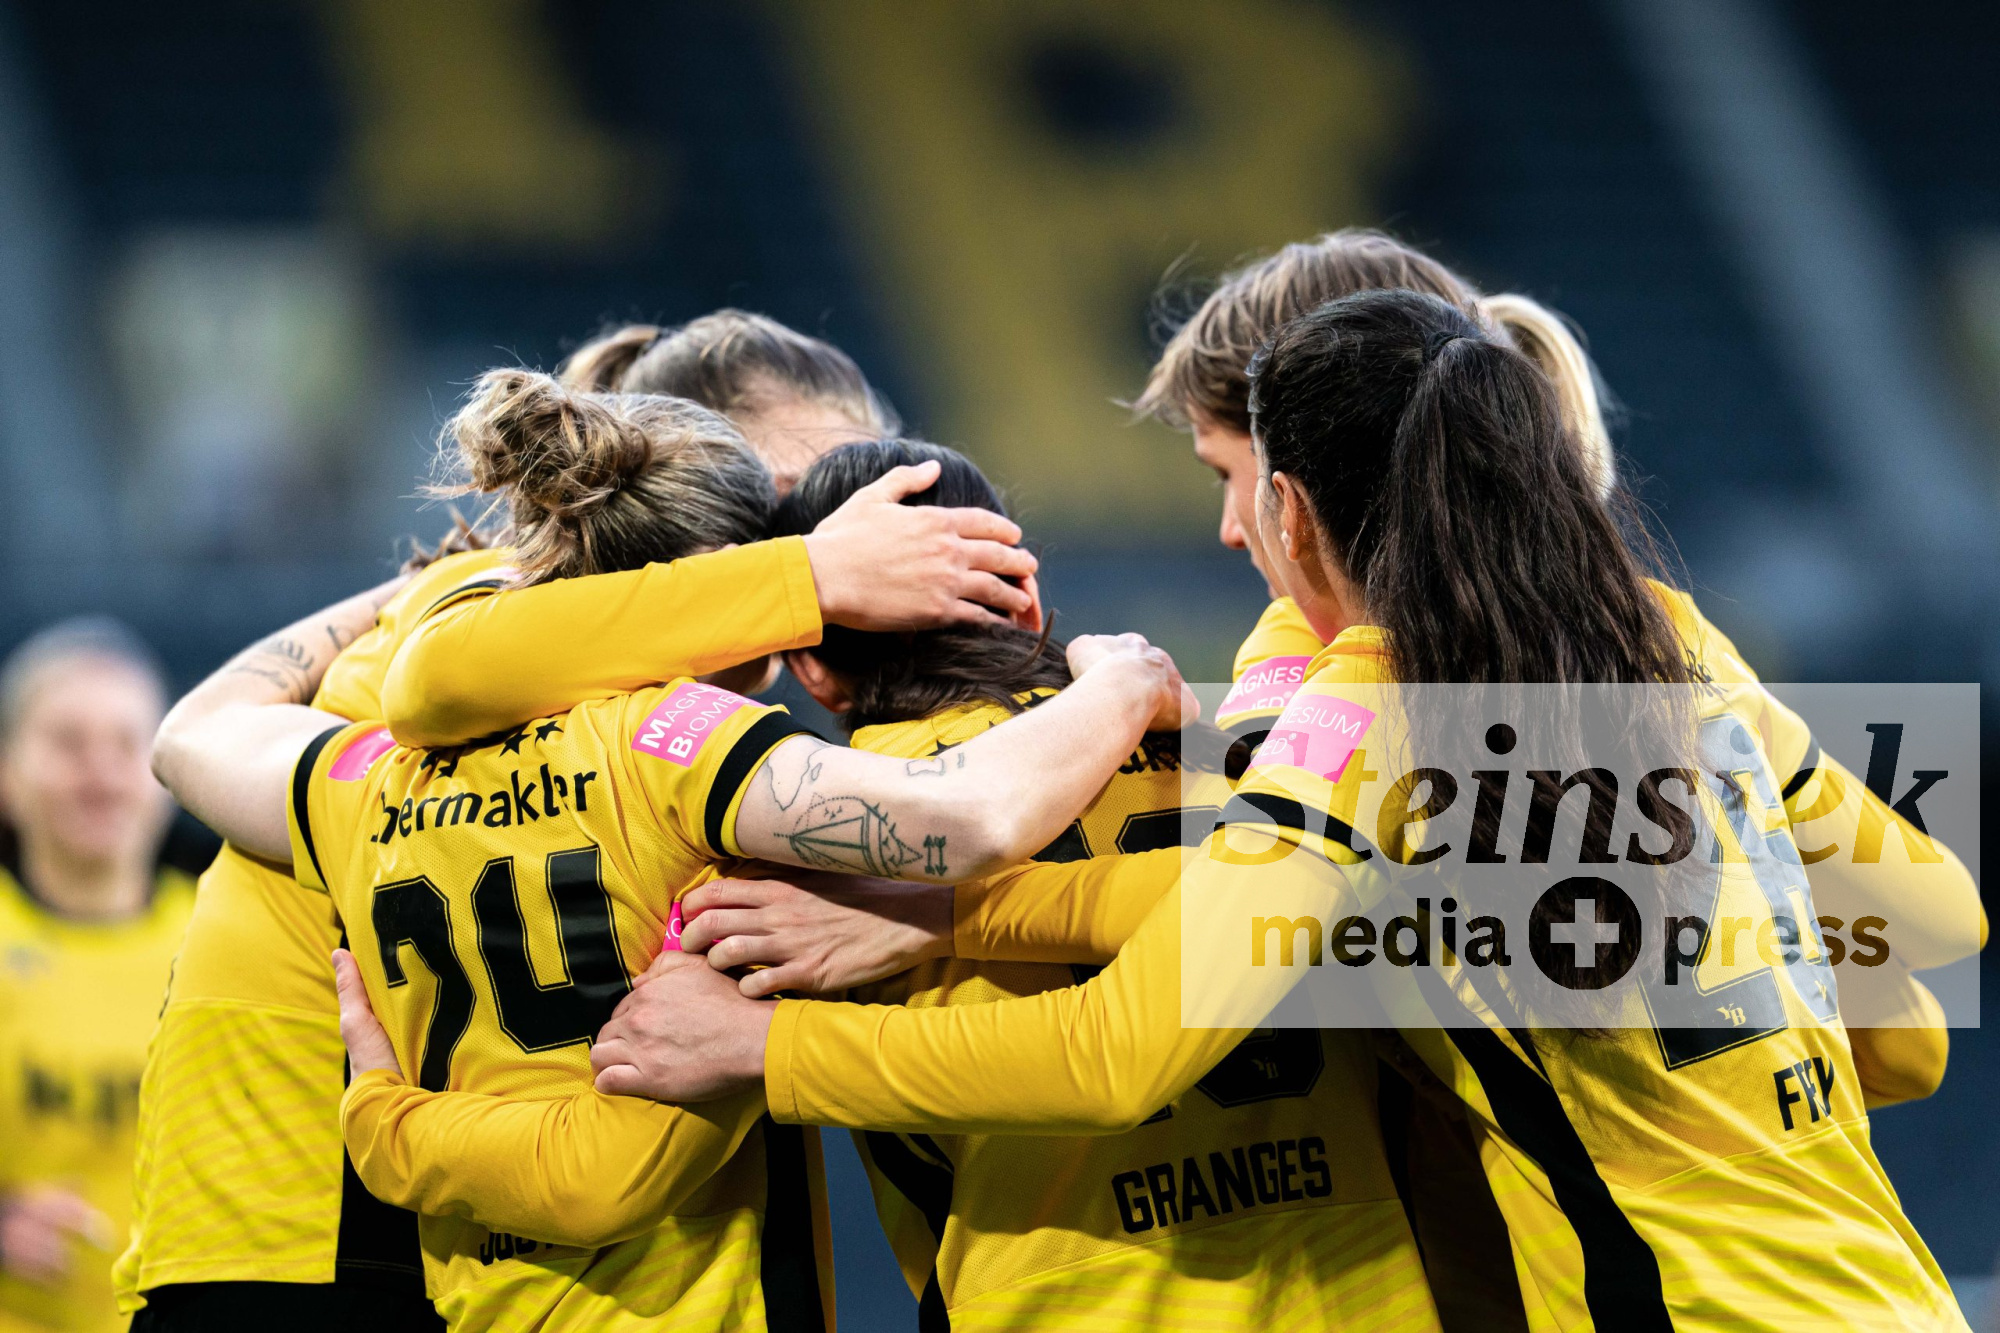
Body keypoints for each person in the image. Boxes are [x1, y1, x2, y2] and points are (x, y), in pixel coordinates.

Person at [601, 290, 1980, 1332]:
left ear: (1295, 510)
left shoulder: (1350, 724)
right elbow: (1928, 957)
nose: (1232, 532)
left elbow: (1125, 1048)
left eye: (1233, 485)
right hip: (1883, 1290)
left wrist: (807, 1020)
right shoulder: (1669, 649)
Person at [148, 371, 1194, 1331]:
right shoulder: (695, 764)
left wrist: (386, 1122)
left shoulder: (364, 776)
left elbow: (197, 733)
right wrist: (1122, 679)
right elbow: (983, 825)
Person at [0, 621, 190, 1333]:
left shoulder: (231, 939)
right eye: (68, 743)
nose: (101, 774)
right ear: (7, 774)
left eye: (126, 744)